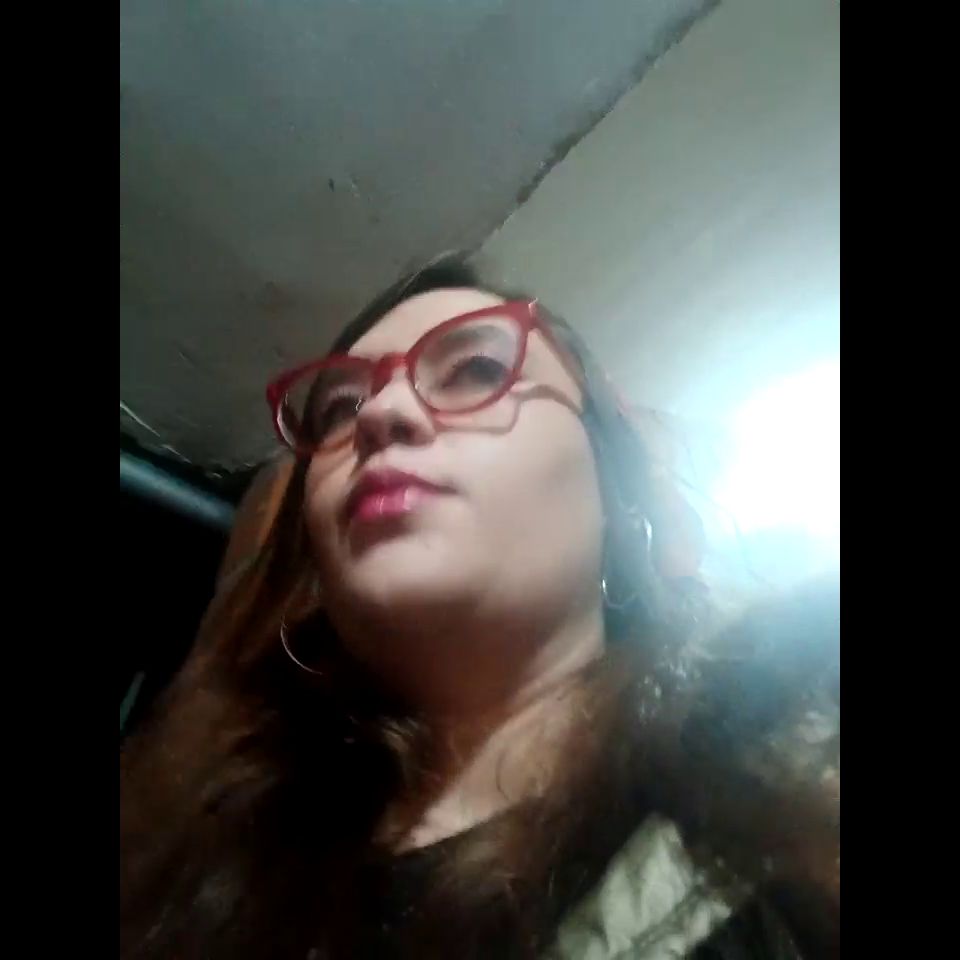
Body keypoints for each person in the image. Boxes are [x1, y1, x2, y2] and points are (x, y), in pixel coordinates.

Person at [120, 256, 839, 959]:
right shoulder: (190, 861)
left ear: (614, 491)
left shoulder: (794, 779)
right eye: (340, 407)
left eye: (475, 370)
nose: (381, 415)